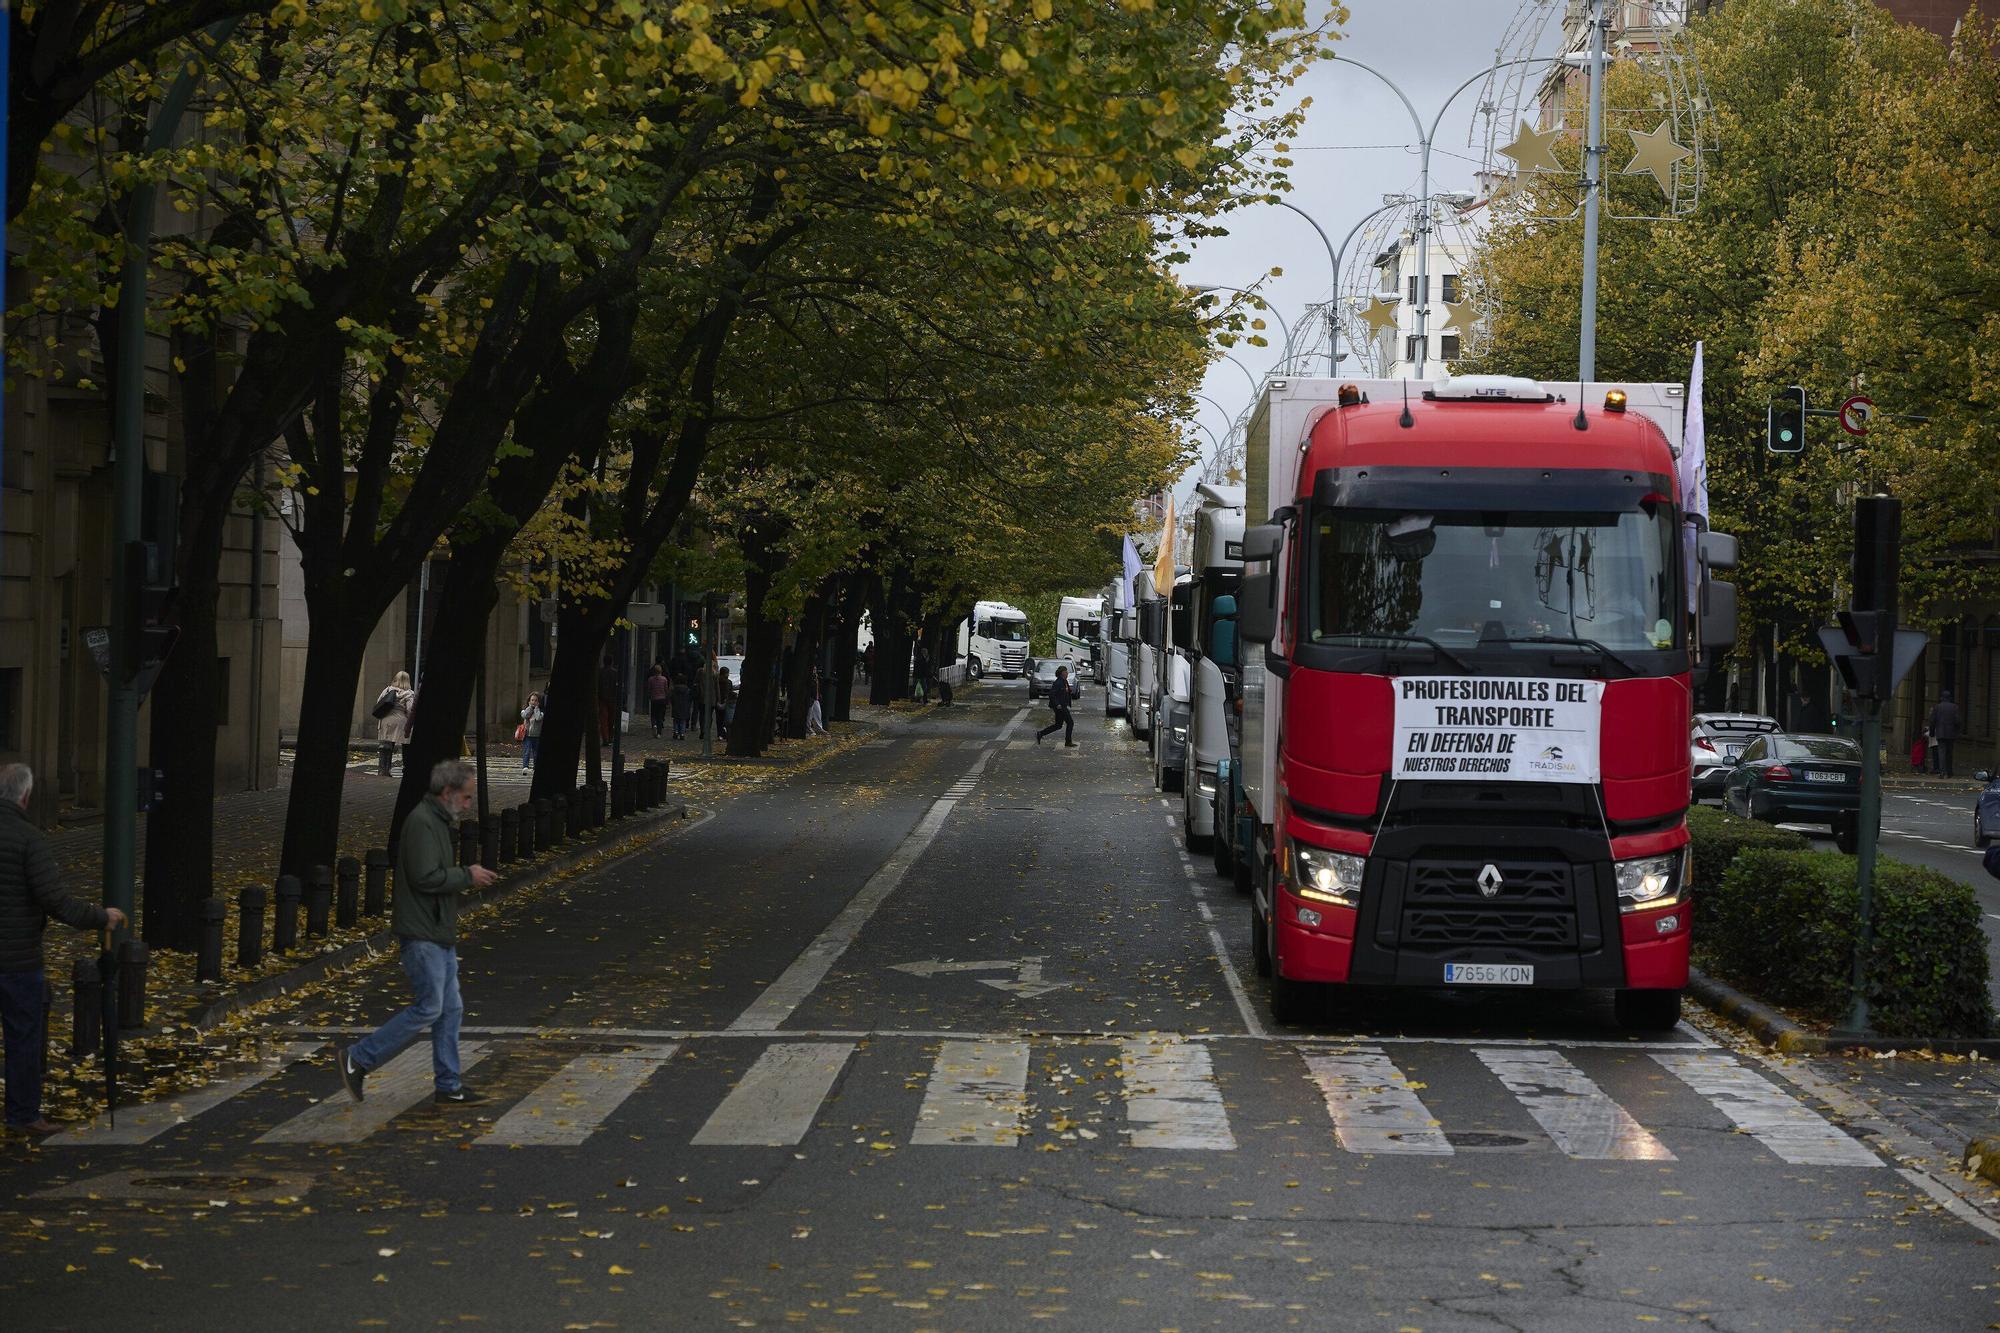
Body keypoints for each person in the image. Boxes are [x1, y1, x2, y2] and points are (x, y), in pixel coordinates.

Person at [339, 760, 498, 1107]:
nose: (469, 805)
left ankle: (449, 1084)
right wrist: (466, 876)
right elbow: (426, 876)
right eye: (467, 798)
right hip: (422, 931)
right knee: (430, 1008)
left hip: (436, 930)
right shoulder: (423, 823)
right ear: (448, 793)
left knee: (450, 1009)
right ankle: (360, 1057)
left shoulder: (438, 821)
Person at [1, 764, 125, 1135]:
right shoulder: (29, 839)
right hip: (17, 960)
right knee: (23, 1037)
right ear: (26, 796)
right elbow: (55, 900)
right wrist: (100, 917)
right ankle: (23, 1115)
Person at [373, 670, 415, 776]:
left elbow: (379, 702)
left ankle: (384, 770)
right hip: (402, 722)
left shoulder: (387, 690)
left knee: (386, 746)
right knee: (406, 745)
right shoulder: (409, 693)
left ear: (395, 679)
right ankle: (407, 769)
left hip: (386, 720)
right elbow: (410, 710)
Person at [1035, 665, 1079, 747]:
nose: (1067, 673)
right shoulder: (1058, 682)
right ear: (1062, 673)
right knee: (1070, 723)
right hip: (1060, 707)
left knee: (1058, 725)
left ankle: (1040, 733)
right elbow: (1052, 695)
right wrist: (1057, 704)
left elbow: (1066, 692)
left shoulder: (1064, 681)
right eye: (1066, 672)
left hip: (1062, 705)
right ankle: (1068, 742)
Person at [1929, 690, 1963, 778]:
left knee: (1941, 752)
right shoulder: (1955, 707)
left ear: (1941, 698)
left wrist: (1932, 732)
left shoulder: (1937, 707)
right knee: (1950, 752)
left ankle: (1942, 772)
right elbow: (1958, 721)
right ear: (1950, 698)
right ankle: (1950, 771)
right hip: (1951, 734)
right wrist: (1957, 731)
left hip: (1940, 733)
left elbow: (1932, 721)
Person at [597, 654, 621, 744]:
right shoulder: (615, 672)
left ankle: (605, 738)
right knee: (611, 719)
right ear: (612, 662)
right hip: (613, 699)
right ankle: (610, 737)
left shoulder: (600, 672)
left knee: (604, 720)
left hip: (602, 698)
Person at [670, 659, 693, 741]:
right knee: (683, 721)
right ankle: (682, 733)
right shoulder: (687, 690)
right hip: (684, 707)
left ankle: (676, 732)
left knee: (676, 720)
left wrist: (672, 704)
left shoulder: (674, 690)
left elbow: (672, 698)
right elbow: (689, 698)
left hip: (676, 707)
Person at [519, 692, 543, 770]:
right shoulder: (524, 711)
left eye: (536, 700)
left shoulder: (541, 712)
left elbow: (538, 718)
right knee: (527, 751)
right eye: (532, 700)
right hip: (527, 735)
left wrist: (536, 709)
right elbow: (525, 715)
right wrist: (530, 708)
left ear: (538, 702)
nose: (534, 702)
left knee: (536, 753)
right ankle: (525, 766)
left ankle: (536, 767)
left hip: (537, 736)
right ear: (529, 701)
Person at [646, 662, 669, 739]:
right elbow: (666, 690)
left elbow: (649, 689)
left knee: (653, 714)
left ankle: (654, 725)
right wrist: (667, 698)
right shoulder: (664, 679)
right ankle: (659, 732)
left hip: (654, 699)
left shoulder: (651, 679)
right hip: (662, 699)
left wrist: (649, 696)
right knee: (660, 716)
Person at [715, 664, 736, 741]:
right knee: (723, 719)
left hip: (721, 702)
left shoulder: (721, 682)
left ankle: (721, 734)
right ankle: (723, 734)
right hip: (723, 702)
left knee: (721, 719)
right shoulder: (726, 682)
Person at [806, 670, 829, 737]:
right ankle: (808, 729)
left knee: (817, 713)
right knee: (809, 714)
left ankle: (818, 728)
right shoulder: (811, 677)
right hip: (811, 697)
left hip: (815, 698)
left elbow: (816, 687)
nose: (814, 671)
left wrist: (818, 695)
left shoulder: (815, 677)